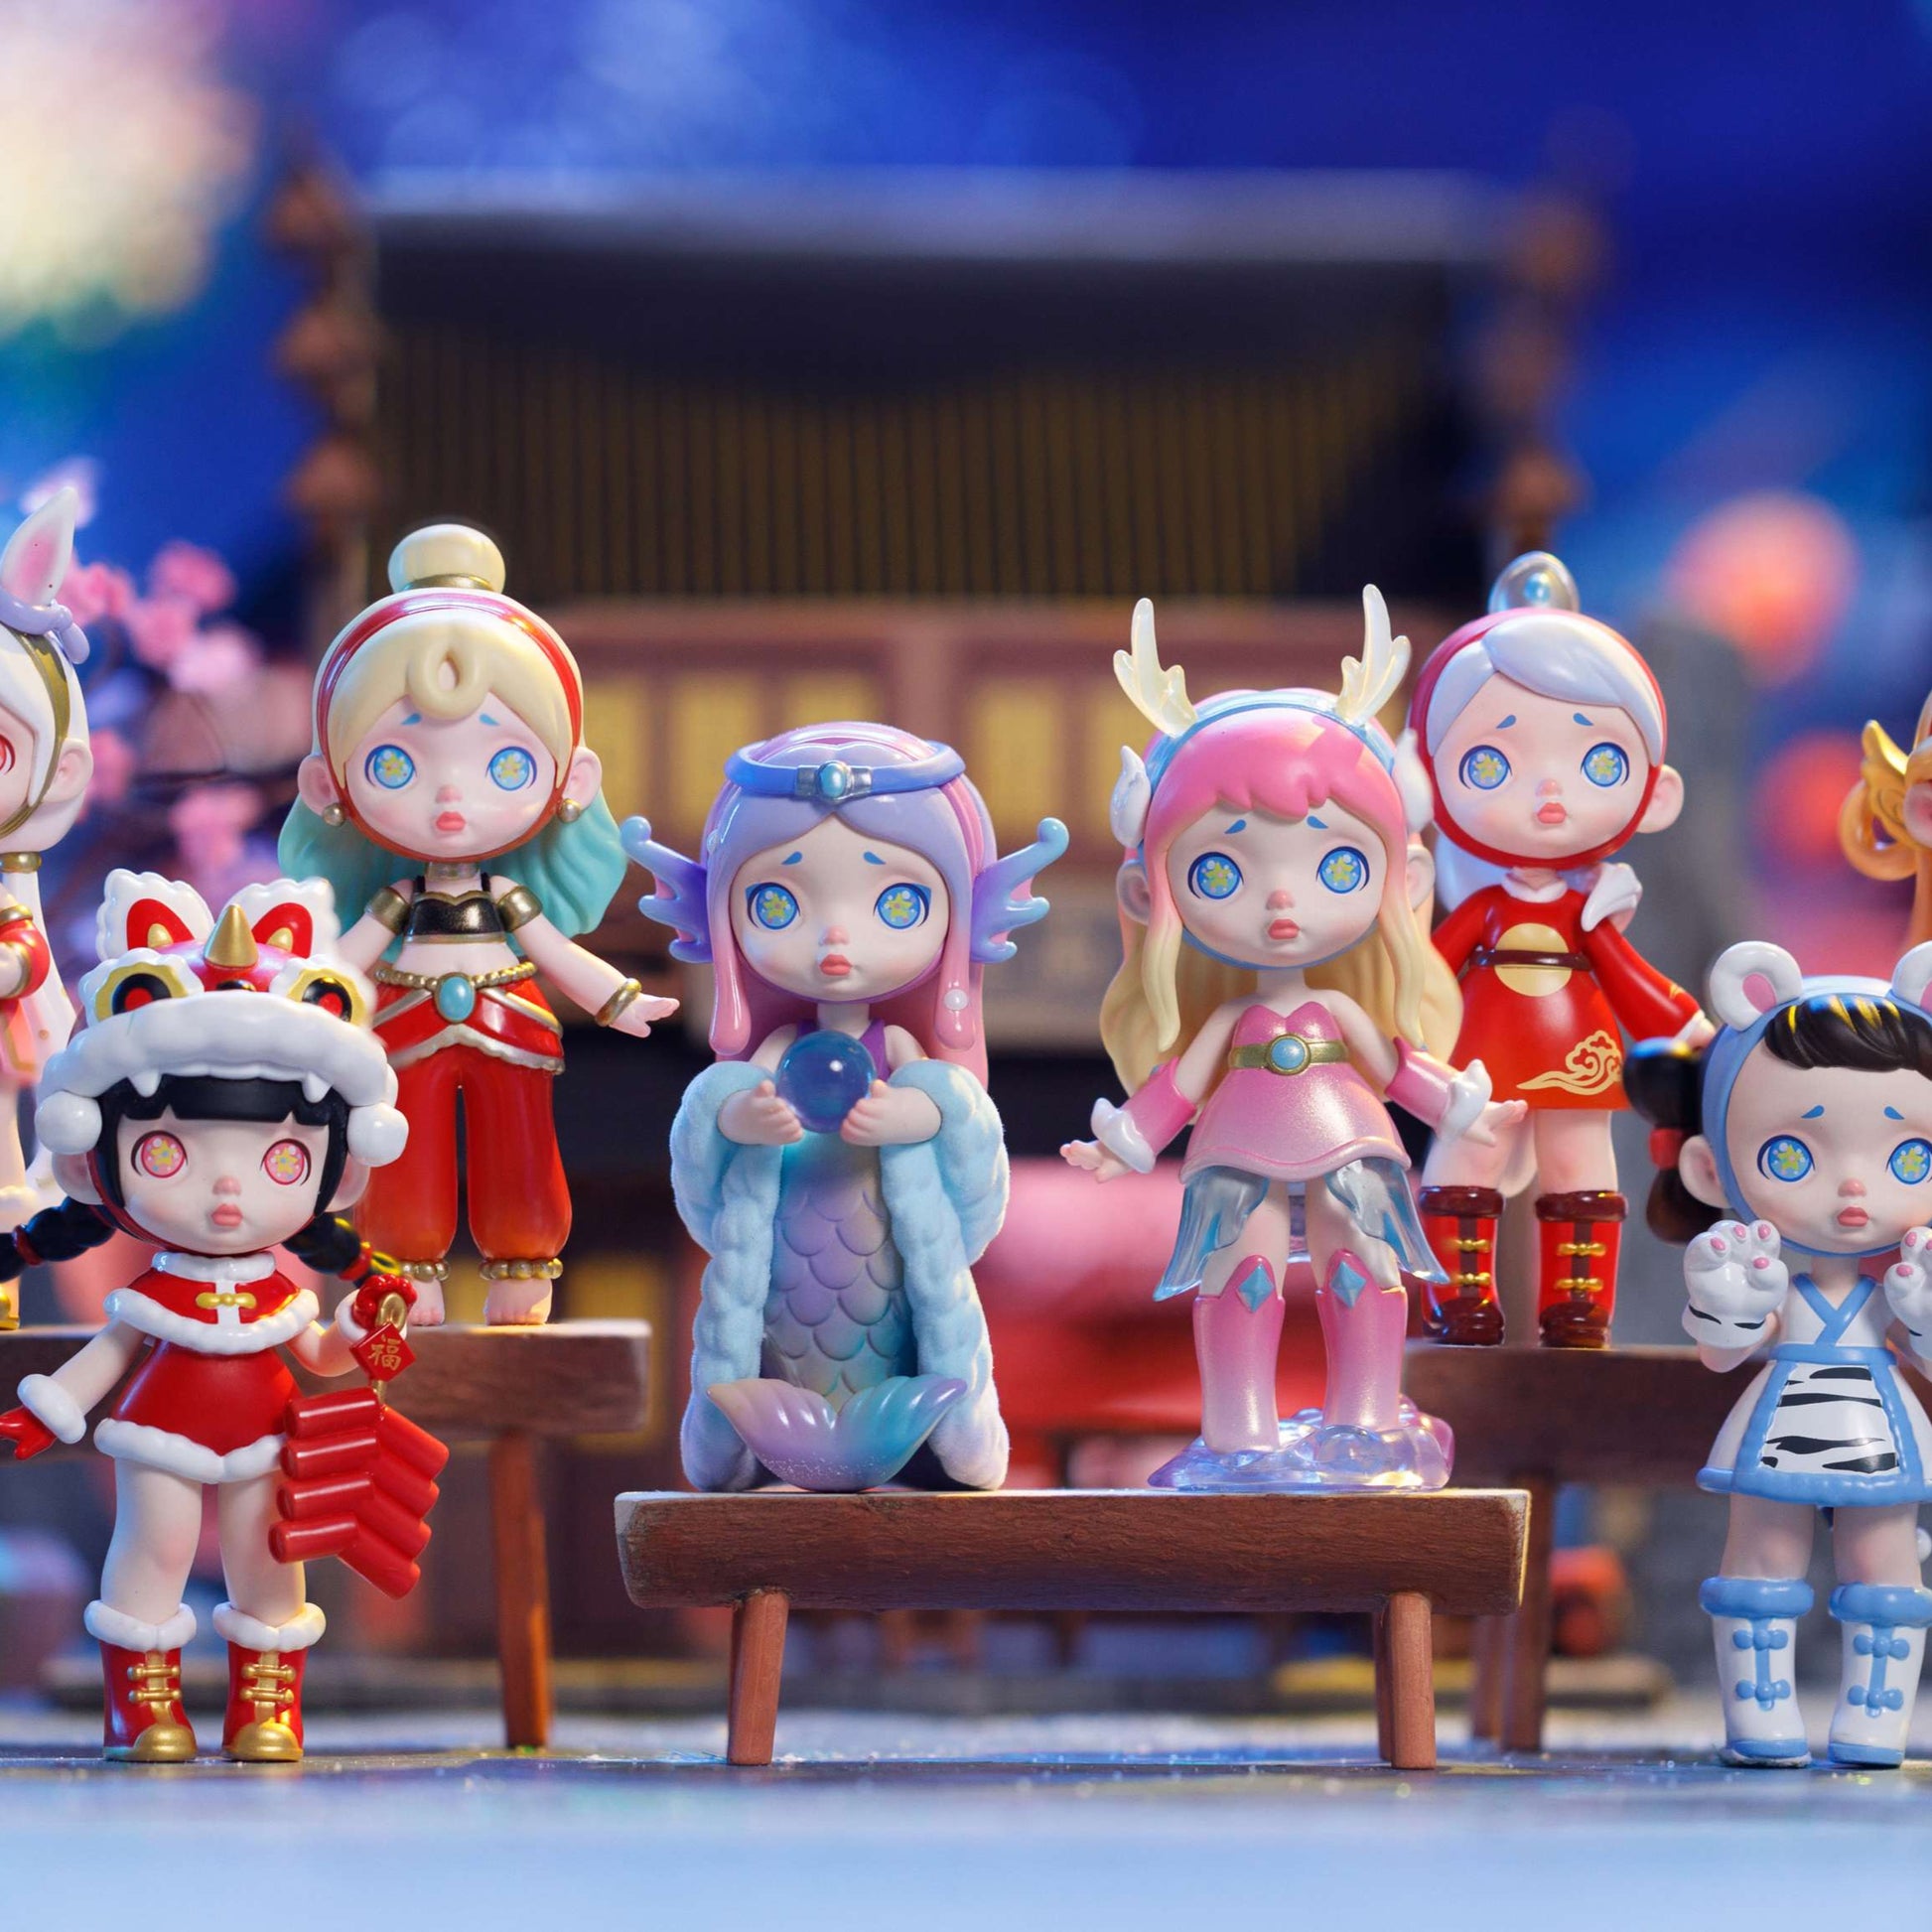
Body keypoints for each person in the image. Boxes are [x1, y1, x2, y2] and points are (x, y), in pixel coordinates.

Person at [626, 724, 1063, 1491]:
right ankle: (784, 1435)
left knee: (910, 1335)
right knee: (775, 1342)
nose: (835, 939)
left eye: (896, 903)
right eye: (776, 903)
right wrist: (741, 1120)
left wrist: (914, 1118)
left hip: (891, 1263)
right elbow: (714, 1131)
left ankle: (906, 1434)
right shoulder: (777, 1049)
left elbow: (959, 1132)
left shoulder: (901, 1051)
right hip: (785, 1262)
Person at [279, 523, 675, 1324]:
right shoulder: (397, 897)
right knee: (402, 1145)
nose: (452, 799)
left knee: (521, 1148)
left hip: (509, 1017)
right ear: (327, 785)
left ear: (572, 780)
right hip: (404, 1019)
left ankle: (522, 1263)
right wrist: (298, 1000)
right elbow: (342, 962)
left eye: (505, 766)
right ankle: (404, 1269)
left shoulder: (508, 896)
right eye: (396, 764)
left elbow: (553, 951)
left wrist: (618, 1000)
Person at [1628, 941, 1932, 1768]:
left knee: (1885, 1567)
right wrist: (1727, 1304)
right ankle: (1760, 1713)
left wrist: (1922, 1315)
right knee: (1760, 1561)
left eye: (1910, 1157)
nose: (1855, 1187)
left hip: (1878, 1434)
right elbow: (1722, 1355)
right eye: (1792, 1155)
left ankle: (1876, 1716)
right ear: (1708, 1169)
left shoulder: (1900, 1285)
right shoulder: (1768, 1279)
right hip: (1777, 1431)